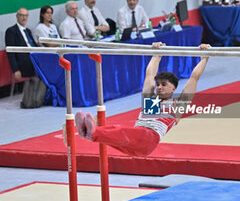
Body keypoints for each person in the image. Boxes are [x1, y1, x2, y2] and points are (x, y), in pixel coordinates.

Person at [75, 42, 211, 157]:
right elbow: (150, 74)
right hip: (135, 143)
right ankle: (88, 133)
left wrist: (205, 57)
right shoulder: (150, 101)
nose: (158, 87)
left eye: (164, 85)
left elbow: (194, 77)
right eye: (158, 84)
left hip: (149, 139)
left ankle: (93, 132)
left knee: (121, 131)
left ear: (173, 89)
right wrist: (157, 55)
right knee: (116, 134)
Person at [5, 8, 37, 80]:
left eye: (26, 15)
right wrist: (15, 69)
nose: (24, 18)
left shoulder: (28, 31)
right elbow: (10, 52)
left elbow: (34, 46)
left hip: (34, 59)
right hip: (24, 63)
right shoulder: (11, 31)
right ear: (17, 16)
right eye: (22, 15)